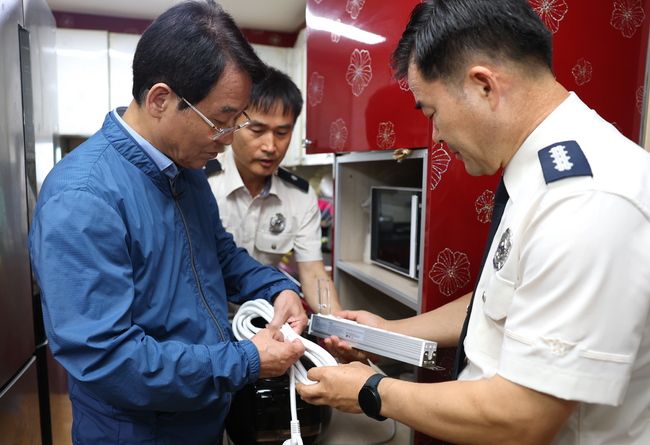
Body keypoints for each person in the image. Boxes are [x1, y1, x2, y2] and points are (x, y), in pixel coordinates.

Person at [296, 0, 650, 444]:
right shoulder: (540, 172)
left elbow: (523, 419)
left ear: (484, 85)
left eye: (432, 113)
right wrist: (386, 332)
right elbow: (502, 295)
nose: (437, 136)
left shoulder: (583, 200)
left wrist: (371, 391)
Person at [28, 2, 308, 444]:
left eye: (237, 121)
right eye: (221, 121)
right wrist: (246, 360)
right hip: (139, 432)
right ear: (161, 100)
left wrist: (277, 288)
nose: (229, 139)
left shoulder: (186, 167)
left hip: (202, 417)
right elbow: (108, 359)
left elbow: (219, 255)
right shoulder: (82, 198)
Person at [207, 67, 343, 314]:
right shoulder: (203, 181)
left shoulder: (299, 196)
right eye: (257, 131)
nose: (270, 146)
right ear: (233, 123)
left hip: (265, 319)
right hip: (207, 319)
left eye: (282, 133)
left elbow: (313, 272)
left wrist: (338, 325)